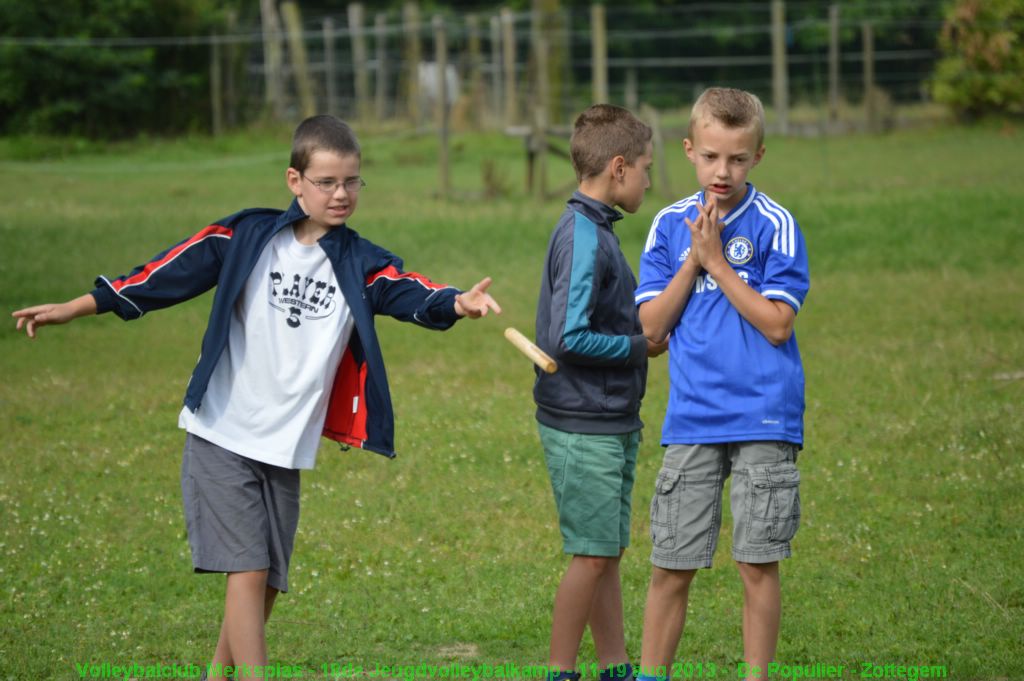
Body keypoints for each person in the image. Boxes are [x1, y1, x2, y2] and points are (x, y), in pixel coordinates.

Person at [12, 115, 501, 681]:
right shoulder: (244, 237)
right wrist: (77, 306)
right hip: (223, 429)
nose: (341, 194)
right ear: (295, 180)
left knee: (266, 579)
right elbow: (160, 276)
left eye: (352, 182)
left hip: (285, 444)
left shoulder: (360, 262)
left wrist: (455, 303)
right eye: (326, 182)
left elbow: (409, 291)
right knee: (246, 570)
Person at [633, 87, 809, 681]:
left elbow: (778, 325)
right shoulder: (665, 225)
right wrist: (692, 258)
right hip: (693, 416)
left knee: (757, 562)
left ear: (757, 156)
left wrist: (718, 263)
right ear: (688, 151)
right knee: (670, 565)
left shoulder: (776, 225)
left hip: (764, 414)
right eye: (710, 157)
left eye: (737, 158)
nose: (722, 171)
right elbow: (652, 329)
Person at [533, 103, 667, 681]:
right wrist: (640, 346)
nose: (649, 180)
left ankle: (616, 667)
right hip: (582, 422)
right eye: (645, 168)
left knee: (604, 552)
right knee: (590, 556)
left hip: (608, 417)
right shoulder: (583, 235)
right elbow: (569, 337)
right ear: (617, 168)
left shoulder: (595, 227)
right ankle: (561, 671)